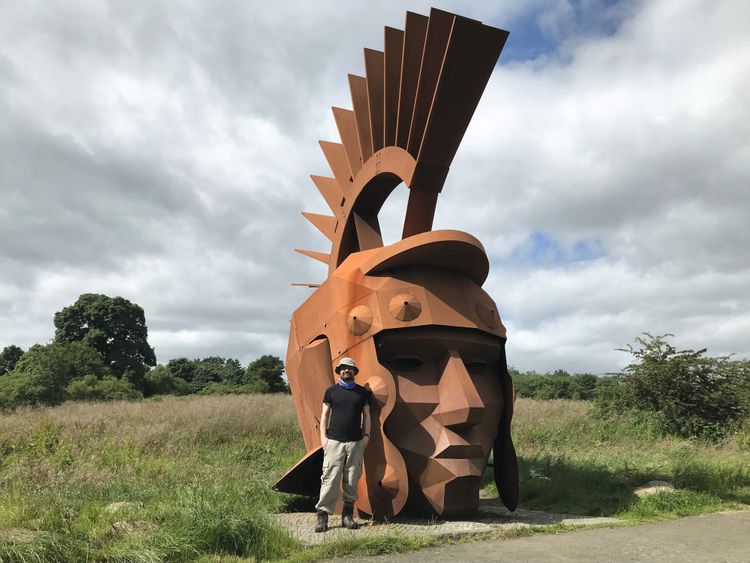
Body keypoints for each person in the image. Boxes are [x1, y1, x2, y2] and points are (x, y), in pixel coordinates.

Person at [314, 357, 371, 533]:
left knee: (352, 479)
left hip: (355, 442)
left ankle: (347, 516)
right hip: (334, 442)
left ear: (354, 372)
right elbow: (324, 415)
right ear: (339, 371)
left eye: (350, 368)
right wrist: (323, 438)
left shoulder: (363, 393)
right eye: (344, 368)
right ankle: (322, 516)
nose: (347, 371)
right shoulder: (331, 391)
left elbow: (367, 416)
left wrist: (366, 436)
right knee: (330, 478)